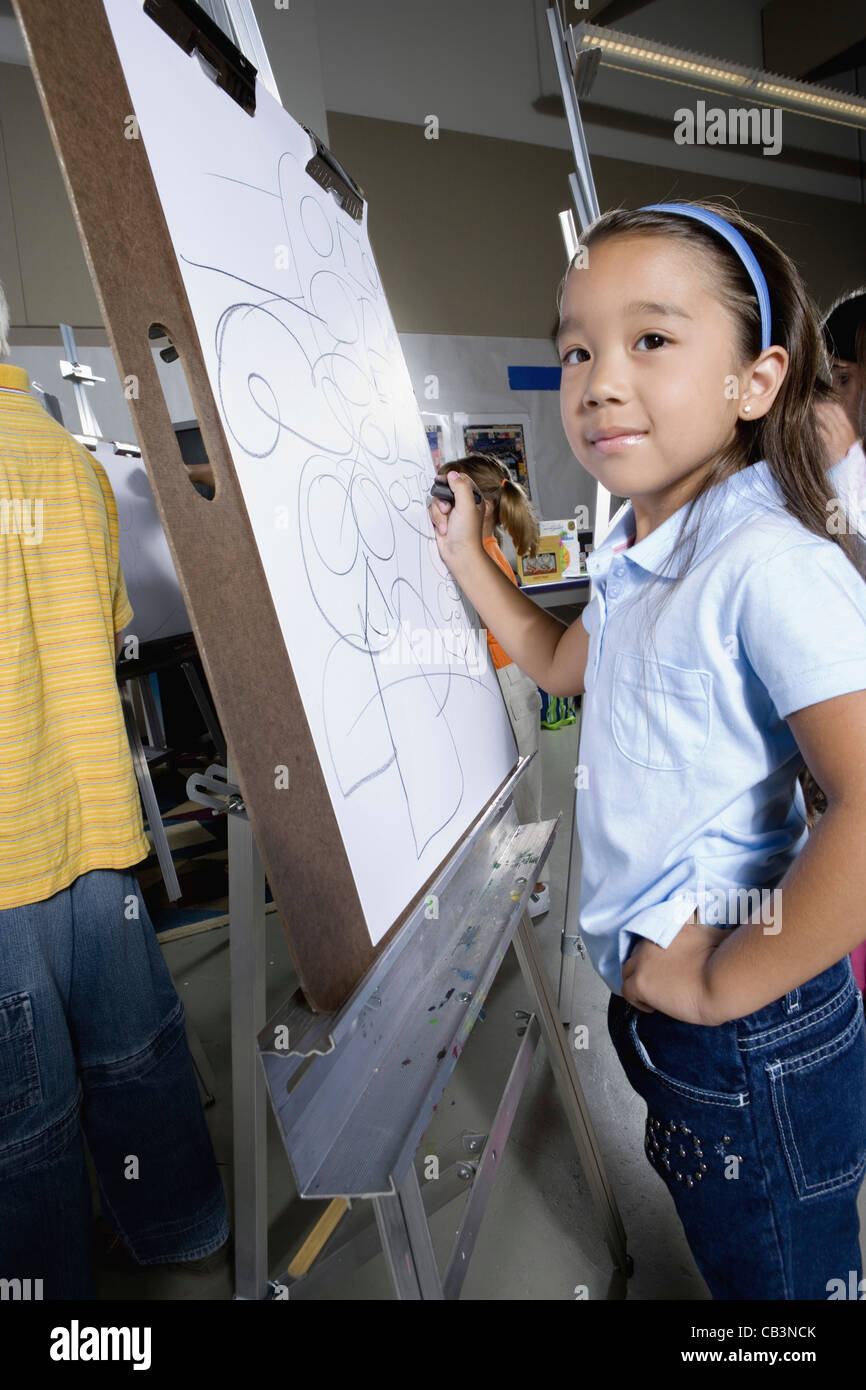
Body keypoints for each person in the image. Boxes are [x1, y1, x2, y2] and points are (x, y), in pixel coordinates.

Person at [429, 201, 866, 1300]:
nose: (596, 379)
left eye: (650, 340)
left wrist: (722, 989)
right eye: (574, 347)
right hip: (667, 1011)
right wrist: (469, 558)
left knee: (777, 1279)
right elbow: (561, 664)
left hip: (746, 1027)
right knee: (735, 1253)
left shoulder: (765, 562)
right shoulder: (641, 547)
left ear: (755, 381)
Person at [0, 282, 229, 1299]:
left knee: (23, 1113)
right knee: (134, 1049)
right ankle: (181, 1225)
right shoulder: (69, 460)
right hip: (99, 824)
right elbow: (108, 625)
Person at [433, 454, 550, 917]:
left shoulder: (481, 555)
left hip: (509, 680)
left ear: (478, 504)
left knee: (524, 789)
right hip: (500, 679)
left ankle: (533, 885)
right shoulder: (477, 547)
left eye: (449, 498)